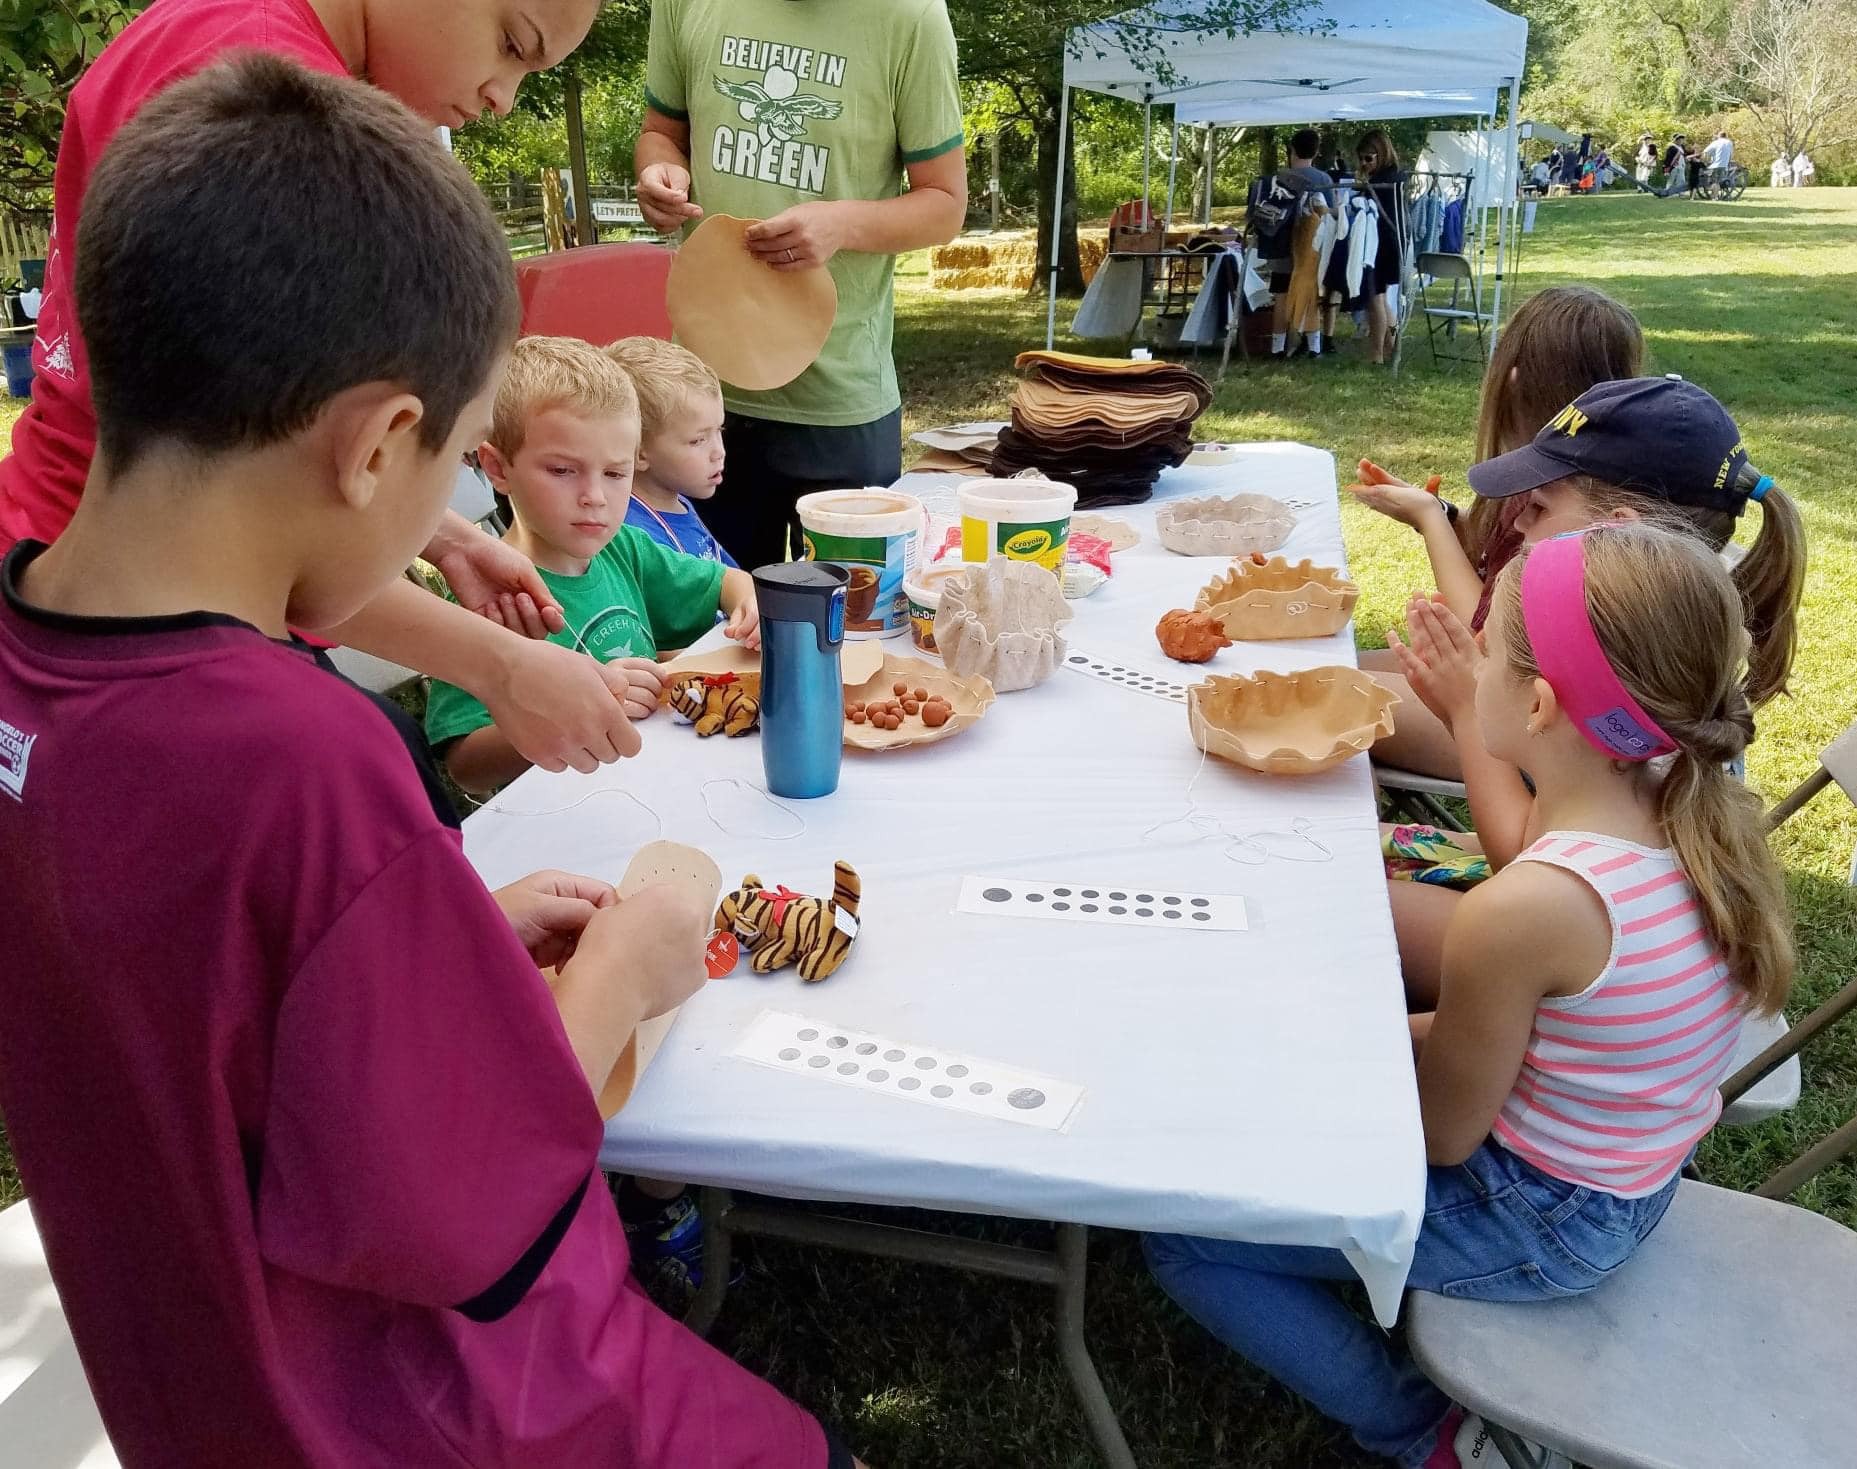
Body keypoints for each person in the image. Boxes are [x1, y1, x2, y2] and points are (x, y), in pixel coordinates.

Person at [0, 56, 864, 1469]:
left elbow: (224, 1028)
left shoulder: (31, 661)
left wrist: (447, 941)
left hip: (196, 1387)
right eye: (464, 462)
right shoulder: (295, 755)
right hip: (433, 1412)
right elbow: (464, 1204)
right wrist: (626, 968)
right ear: (382, 444)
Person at [1148, 519, 1794, 1469]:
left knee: (1187, 1238)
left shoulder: (1531, 904)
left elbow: (1445, 1132)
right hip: (1633, 1171)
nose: (1462, 668)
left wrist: (1300, 1061)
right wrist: (1391, 1027)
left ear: (1535, 705)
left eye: (1482, 651)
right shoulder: (1684, 805)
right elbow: (1547, 1036)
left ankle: (1422, 1431)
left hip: (1540, 1213)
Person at [0, 0, 658, 783]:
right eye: (511, 44)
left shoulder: (207, 24)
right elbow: (259, 510)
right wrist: (498, 664)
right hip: (155, 643)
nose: (502, 96)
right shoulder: (280, 119)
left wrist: (444, 536)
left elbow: (267, 454)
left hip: (69, 585)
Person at [635, 0, 966, 571]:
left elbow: (944, 204)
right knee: (709, 642)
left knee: (855, 630)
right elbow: (660, 133)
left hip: (841, 402)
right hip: (700, 402)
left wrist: (841, 224)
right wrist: (659, 173)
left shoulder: (912, 17)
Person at [426, 337, 761, 795]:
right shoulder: (484, 596)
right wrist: (579, 713)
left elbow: (728, 581)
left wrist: (748, 606)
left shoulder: (624, 548)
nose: (595, 497)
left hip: (658, 786)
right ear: (498, 469)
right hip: (562, 819)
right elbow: (466, 764)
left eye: (615, 473)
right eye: (563, 471)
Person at [1353, 286, 1645, 778]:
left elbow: (1488, 636)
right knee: (1336, 663)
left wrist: (1429, 522)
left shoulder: (1568, 509)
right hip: (1510, 699)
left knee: (1325, 685)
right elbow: (1499, 561)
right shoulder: (1570, 484)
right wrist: (1444, 515)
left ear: (1511, 381)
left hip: (1526, 732)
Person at [604, 336, 738, 566]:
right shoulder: (633, 537)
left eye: (720, 430)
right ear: (639, 452)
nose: (719, 452)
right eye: (698, 440)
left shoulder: (679, 503)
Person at [1265, 127, 1336, 359]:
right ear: (1315, 152)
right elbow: (1330, 213)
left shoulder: (1278, 178)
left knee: (1281, 295)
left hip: (1282, 244)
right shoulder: (1323, 179)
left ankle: (1278, 347)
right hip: (1310, 247)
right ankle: (1313, 345)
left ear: (1292, 150)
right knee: (1310, 294)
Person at [1355, 129, 1405, 365]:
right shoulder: (1395, 176)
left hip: (1382, 243)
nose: (1364, 164)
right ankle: (1390, 348)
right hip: (1389, 242)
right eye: (1361, 159)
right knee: (1381, 297)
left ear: (1381, 153)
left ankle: (1377, 354)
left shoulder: (1384, 180)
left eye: (1368, 158)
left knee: (1376, 298)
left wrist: (1364, 186)